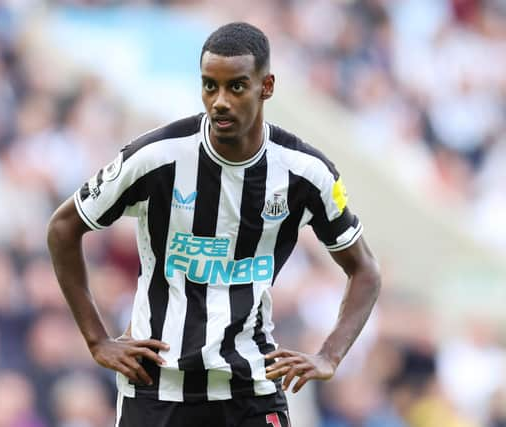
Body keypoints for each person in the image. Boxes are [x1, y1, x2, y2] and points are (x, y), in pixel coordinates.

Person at [47, 22, 381, 427]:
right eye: (209, 86)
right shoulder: (157, 157)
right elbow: (64, 227)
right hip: (158, 385)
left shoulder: (305, 173)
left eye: (236, 87)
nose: (220, 101)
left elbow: (364, 269)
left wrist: (330, 354)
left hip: (250, 384)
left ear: (267, 86)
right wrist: (97, 339)